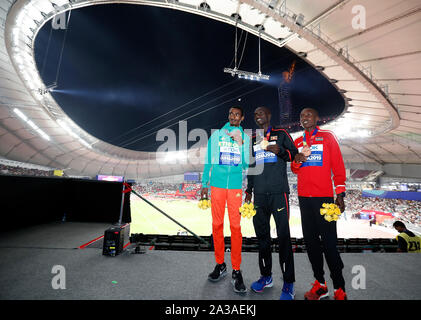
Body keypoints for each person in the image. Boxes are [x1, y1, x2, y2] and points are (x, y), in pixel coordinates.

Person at [291, 107, 347, 300]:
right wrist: (299, 159)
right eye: (302, 115)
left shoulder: (327, 136)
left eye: (308, 115)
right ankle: (320, 284)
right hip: (304, 200)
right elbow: (295, 168)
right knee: (312, 244)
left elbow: (338, 165)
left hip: (324, 199)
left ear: (317, 118)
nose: (304, 118)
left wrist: (340, 193)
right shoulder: (298, 141)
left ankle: (339, 287)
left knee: (330, 245)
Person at [244, 106, 299, 300]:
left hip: (278, 194)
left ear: (269, 115)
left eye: (260, 113)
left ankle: (288, 282)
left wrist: (281, 151)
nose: (257, 116)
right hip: (259, 195)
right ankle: (266, 277)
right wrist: (249, 191)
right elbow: (252, 167)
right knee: (263, 239)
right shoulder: (253, 139)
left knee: (283, 237)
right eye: (255, 114)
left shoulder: (281, 133)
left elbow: (295, 155)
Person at [201, 106, 250, 293]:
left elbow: (246, 163)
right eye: (231, 114)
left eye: (237, 114)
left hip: (235, 188)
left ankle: (237, 270)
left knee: (236, 228)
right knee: (217, 225)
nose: (233, 116)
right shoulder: (217, 136)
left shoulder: (245, 138)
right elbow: (208, 160)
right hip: (217, 186)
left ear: (242, 118)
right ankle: (220, 264)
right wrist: (204, 183)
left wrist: (240, 144)